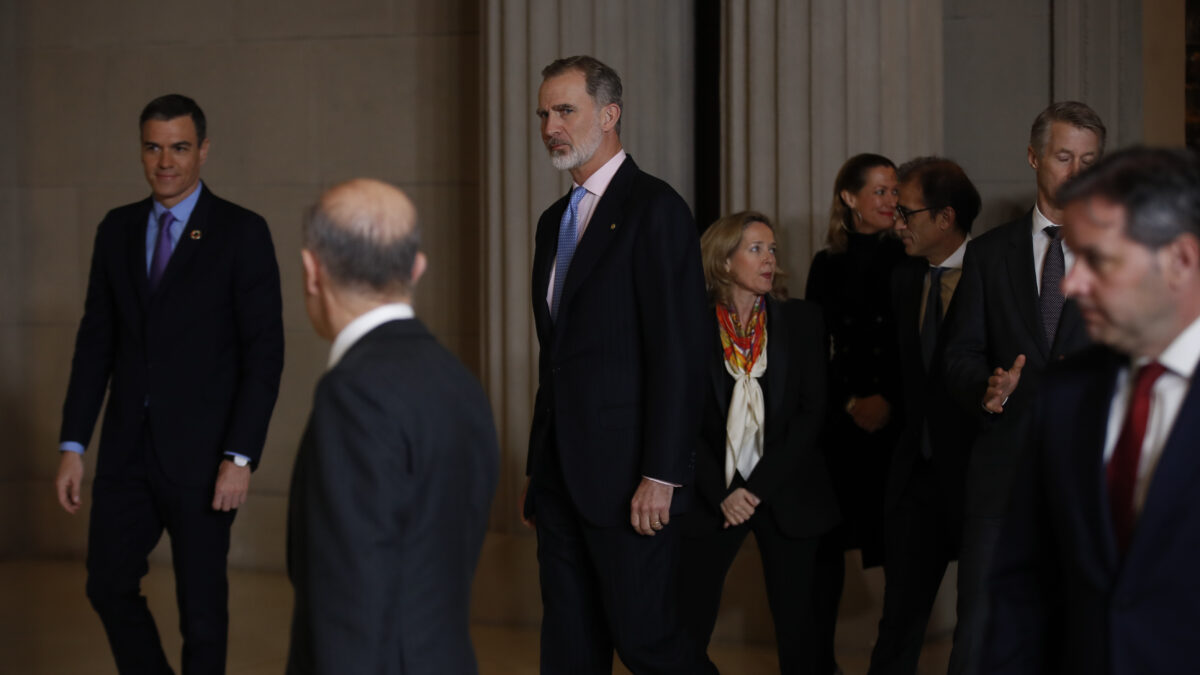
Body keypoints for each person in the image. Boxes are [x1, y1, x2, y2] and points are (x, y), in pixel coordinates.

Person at [53, 94, 285, 674]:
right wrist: (73, 444)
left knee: (201, 616)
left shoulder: (241, 232)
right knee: (106, 585)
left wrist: (241, 456)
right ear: (141, 150)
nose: (165, 161)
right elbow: (94, 343)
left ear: (202, 151)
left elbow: (265, 354)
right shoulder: (116, 230)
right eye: (153, 147)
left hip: (206, 458)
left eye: (179, 147)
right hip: (126, 452)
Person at [521, 55, 708, 673]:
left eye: (565, 110)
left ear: (609, 114)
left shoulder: (656, 209)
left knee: (651, 647)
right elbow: (560, 361)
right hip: (559, 484)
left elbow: (679, 353)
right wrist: (539, 467)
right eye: (545, 112)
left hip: (633, 486)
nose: (551, 125)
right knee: (568, 651)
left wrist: (662, 472)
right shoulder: (554, 222)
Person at [981, 147, 1200, 674]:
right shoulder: (1066, 393)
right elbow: (1024, 586)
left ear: (1180, 260)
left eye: (1097, 261)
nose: (1071, 285)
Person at [286, 179, 498, 674]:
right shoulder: (459, 381)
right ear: (417, 268)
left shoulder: (353, 393)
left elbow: (350, 602)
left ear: (312, 271)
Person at [940, 101, 1105, 675]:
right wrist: (985, 389)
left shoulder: (1126, 253)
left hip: (1094, 480)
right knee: (981, 632)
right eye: (1064, 157)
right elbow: (957, 355)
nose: (1077, 171)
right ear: (1034, 157)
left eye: (1089, 159)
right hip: (1004, 475)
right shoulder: (988, 254)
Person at [680, 211, 838, 674]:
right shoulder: (690, 326)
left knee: (802, 635)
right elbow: (681, 420)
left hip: (786, 491)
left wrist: (756, 488)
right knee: (685, 627)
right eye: (756, 249)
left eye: (772, 250)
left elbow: (812, 414)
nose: (769, 259)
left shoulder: (802, 320)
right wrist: (724, 492)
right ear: (724, 262)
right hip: (714, 495)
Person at [868, 158, 980, 675]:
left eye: (907, 212)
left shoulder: (995, 273)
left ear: (944, 217)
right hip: (915, 476)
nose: (897, 222)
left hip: (979, 476)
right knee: (897, 625)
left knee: (980, 625)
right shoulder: (902, 279)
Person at [805, 153, 905, 675]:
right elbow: (817, 349)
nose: (892, 201)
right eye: (881, 191)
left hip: (899, 426)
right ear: (850, 198)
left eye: (895, 192)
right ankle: (817, 664)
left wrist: (886, 399)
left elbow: (915, 345)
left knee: (901, 552)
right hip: (840, 427)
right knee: (825, 548)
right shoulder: (828, 264)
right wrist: (850, 402)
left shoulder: (909, 259)